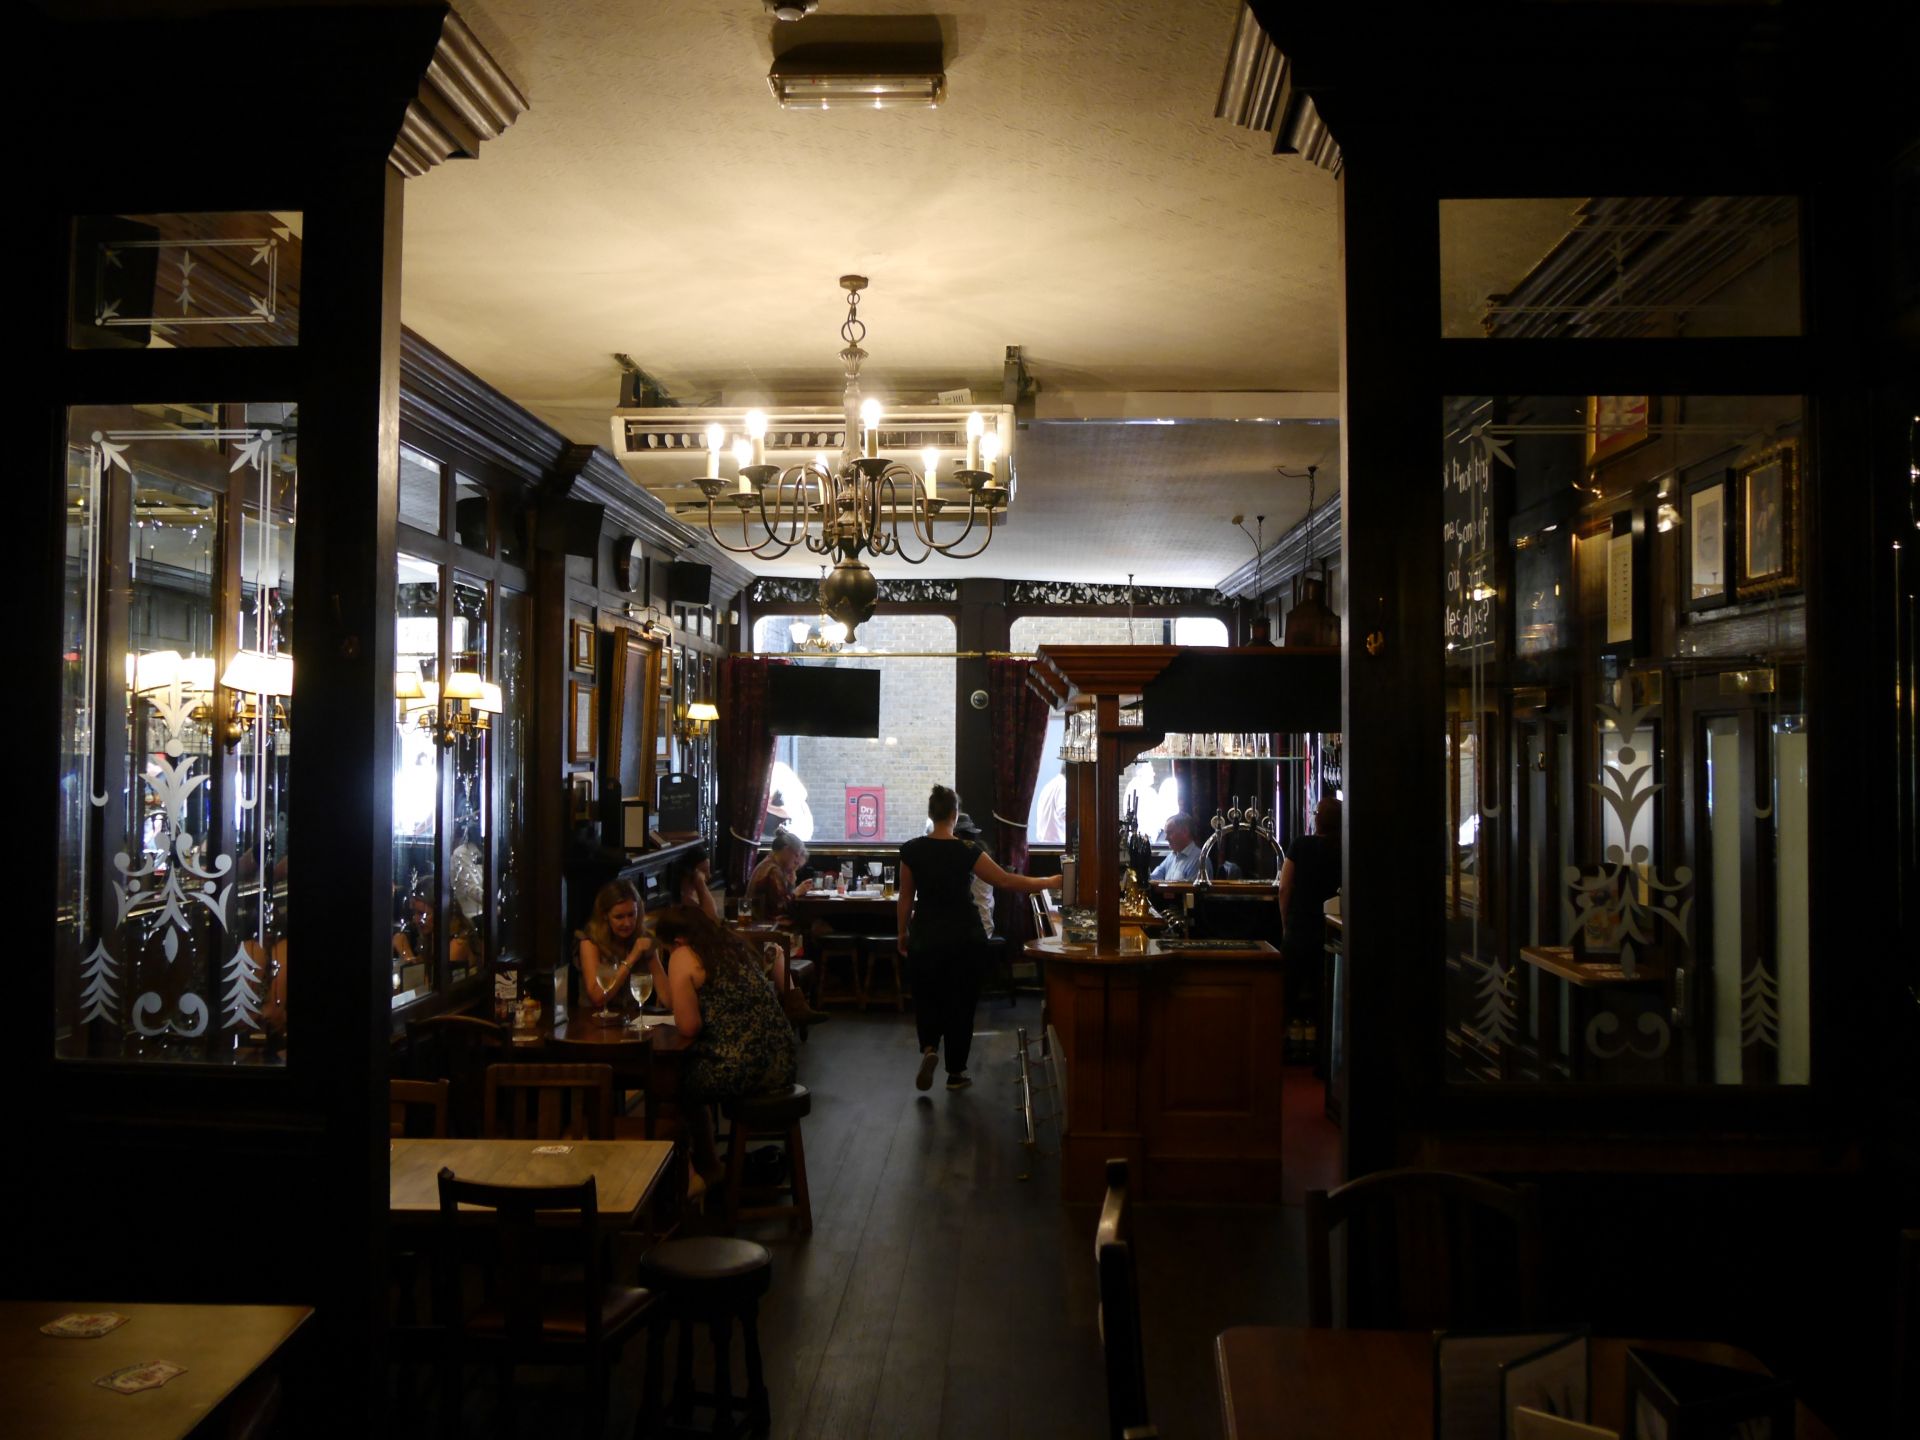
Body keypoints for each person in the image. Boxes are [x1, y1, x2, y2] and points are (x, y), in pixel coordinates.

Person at [897, 785, 1060, 1092]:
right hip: (964, 937)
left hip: (925, 935)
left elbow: (906, 897)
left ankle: (930, 1048)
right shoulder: (968, 850)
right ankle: (956, 1073)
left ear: (931, 815)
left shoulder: (911, 850)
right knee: (961, 1004)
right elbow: (1005, 880)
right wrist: (1049, 881)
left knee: (927, 997)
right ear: (954, 815)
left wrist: (902, 933)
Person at [651, 904, 798, 1183]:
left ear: (677, 941)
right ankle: (709, 1167)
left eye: (666, 948)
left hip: (741, 1068)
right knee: (688, 1081)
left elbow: (689, 1025)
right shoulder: (732, 943)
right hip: (781, 1061)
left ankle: (695, 1175)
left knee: (671, 1086)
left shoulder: (684, 954)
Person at [1278, 795, 1343, 1041]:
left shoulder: (1300, 845)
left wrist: (1285, 923)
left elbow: (1284, 887)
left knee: (1287, 993)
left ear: (1318, 820)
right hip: (1329, 929)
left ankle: (1280, 1050)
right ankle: (1324, 1056)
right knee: (1324, 996)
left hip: (1299, 926)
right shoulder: (1343, 847)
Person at [577, 878, 652, 1014]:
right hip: (594, 1022)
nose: (627, 923)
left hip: (631, 1019)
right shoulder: (590, 941)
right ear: (605, 916)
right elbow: (597, 997)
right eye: (619, 917)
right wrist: (631, 958)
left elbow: (667, 997)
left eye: (631, 914)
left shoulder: (642, 938)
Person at [746, 828, 813, 921]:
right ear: (786, 850)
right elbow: (781, 907)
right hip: (765, 924)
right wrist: (797, 892)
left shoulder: (769, 863)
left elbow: (780, 900)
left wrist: (791, 883)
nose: (797, 861)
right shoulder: (774, 870)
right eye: (796, 855)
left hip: (762, 919)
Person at [668, 843, 720, 922]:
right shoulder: (685, 901)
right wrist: (700, 882)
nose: (709, 876)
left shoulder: (696, 894)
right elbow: (712, 918)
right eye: (704, 871)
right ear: (689, 872)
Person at [1150, 812, 1204, 882]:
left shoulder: (1199, 861)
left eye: (1170, 833)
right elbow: (1153, 878)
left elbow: (1190, 892)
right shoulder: (1171, 857)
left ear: (1185, 831)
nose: (1166, 838)